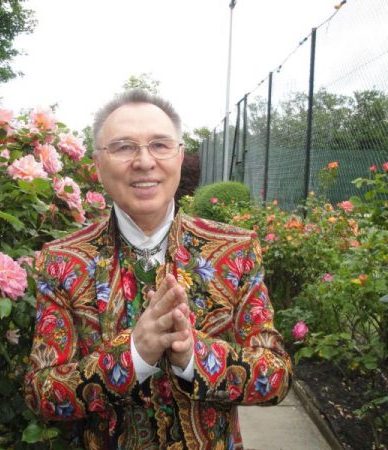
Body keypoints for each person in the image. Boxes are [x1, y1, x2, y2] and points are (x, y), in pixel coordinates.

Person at [24, 89, 292, 449]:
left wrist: (195, 356)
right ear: (97, 163)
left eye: (160, 145)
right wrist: (132, 356)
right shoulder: (61, 261)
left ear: (180, 156)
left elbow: (277, 374)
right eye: (123, 147)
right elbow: (41, 392)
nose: (145, 161)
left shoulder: (235, 251)